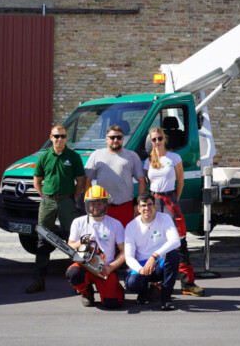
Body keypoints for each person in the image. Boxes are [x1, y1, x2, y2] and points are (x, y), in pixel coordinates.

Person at [145, 127, 205, 297]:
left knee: (179, 241)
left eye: (159, 138)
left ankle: (188, 283)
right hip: (154, 202)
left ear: (165, 139)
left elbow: (180, 183)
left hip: (170, 200)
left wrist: (174, 200)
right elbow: (148, 183)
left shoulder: (174, 157)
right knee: (155, 240)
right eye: (154, 139)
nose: (157, 142)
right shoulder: (148, 160)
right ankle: (156, 283)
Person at [26, 124, 85, 294]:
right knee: (43, 239)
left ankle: (78, 281)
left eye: (63, 136)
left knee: (72, 239)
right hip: (48, 202)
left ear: (67, 138)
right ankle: (39, 279)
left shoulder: (73, 157)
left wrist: (72, 198)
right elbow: (37, 180)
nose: (59, 139)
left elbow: (80, 181)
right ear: (50, 137)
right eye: (56, 136)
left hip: (67, 201)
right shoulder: (44, 157)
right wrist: (44, 196)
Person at [65, 185, 126, 309]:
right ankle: (86, 292)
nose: (95, 207)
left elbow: (124, 251)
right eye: (92, 204)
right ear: (87, 205)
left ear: (105, 204)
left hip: (105, 268)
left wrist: (110, 268)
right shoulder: (78, 222)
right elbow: (70, 245)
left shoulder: (115, 224)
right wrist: (81, 243)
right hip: (84, 265)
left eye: (99, 204)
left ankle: (115, 288)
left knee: (113, 303)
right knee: (73, 273)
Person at [124, 192, 182, 311]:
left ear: (155, 206)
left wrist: (154, 256)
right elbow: (129, 257)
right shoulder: (131, 226)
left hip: (159, 263)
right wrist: (141, 269)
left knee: (173, 255)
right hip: (141, 266)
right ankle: (144, 290)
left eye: (150, 205)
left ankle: (166, 298)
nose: (147, 208)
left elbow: (176, 241)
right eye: (143, 206)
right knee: (132, 284)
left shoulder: (165, 218)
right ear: (138, 208)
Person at [85, 125, 146, 227]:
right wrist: (89, 203)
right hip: (102, 207)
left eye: (119, 137)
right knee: (103, 239)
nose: (115, 140)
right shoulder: (96, 155)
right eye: (112, 137)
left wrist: (139, 204)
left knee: (125, 239)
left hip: (125, 207)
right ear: (106, 139)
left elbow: (142, 181)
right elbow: (87, 181)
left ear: (123, 139)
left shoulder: (132, 156)